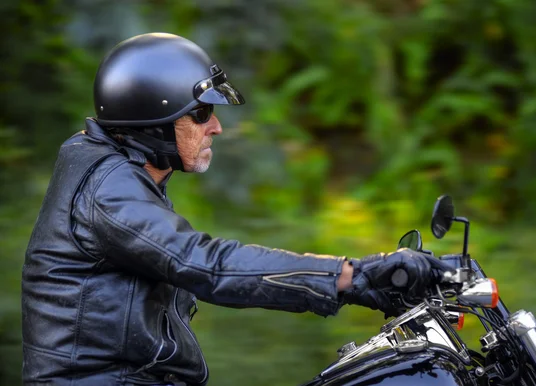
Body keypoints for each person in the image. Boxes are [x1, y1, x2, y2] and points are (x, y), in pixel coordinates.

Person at [21, 33, 448, 386]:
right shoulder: (107, 188)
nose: (216, 126)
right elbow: (206, 265)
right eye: (201, 113)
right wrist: (352, 277)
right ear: (154, 120)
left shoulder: (112, 168)